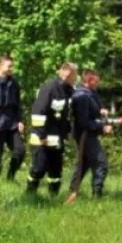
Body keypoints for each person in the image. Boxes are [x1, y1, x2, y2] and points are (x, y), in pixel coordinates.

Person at [26, 62, 78, 197]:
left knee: (55, 170)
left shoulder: (69, 90)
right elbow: (38, 112)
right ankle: (30, 195)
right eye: (75, 75)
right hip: (42, 138)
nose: (76, 78)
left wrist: (68, 132)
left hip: (57, 138)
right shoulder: (49, 88)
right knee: (39, 168)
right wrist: (42, 135)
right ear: (68, 73)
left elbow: (67, 114)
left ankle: (53, 197)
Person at [65, 69, 113, 205]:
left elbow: (92, 111)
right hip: (84, 136)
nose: (98, 83)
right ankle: (97, 196)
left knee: (83, 164)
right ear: (88, 80)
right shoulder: (81, 96)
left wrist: (100, 111)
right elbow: (83, 122)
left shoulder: (91, 93)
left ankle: (72, 193)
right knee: (101, 164)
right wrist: (102, 127)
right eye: (96, 80)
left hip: (90, 134)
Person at [0, 54, 26, 181]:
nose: (11, 69)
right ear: (1, 66)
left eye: (12, 66)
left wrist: (20, 120)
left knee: (20, 151)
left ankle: (11, 176)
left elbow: (18, 103)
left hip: (12, 124)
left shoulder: (14, 83)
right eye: (9, 66)